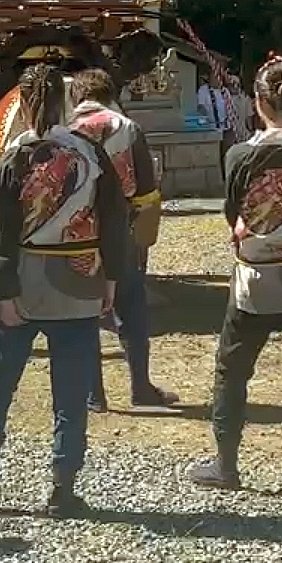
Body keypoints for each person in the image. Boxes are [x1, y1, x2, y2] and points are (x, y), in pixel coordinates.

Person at [0, 63, 128, 517]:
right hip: (79, 277)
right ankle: (63, 487)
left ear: (20, 102)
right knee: (71, 392)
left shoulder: (16, 156)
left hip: (21, 280)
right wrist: (112, 278)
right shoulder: (90, 154)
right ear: (68, 101)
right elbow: (115, 221)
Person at [189, 57, 282, 502]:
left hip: (257, 280)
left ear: (258, 102)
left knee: (233, 370)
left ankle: (227, 463)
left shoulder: (241, 155)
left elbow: (234, 214)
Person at [68, 69, 177, 410]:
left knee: (85, 312)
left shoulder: (64, 131)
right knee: (131, 307)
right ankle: (140, 386)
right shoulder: (128, 128)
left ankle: (93, 394)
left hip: (76, 233)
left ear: (77, 97)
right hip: (121, 228)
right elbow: (146, 191)